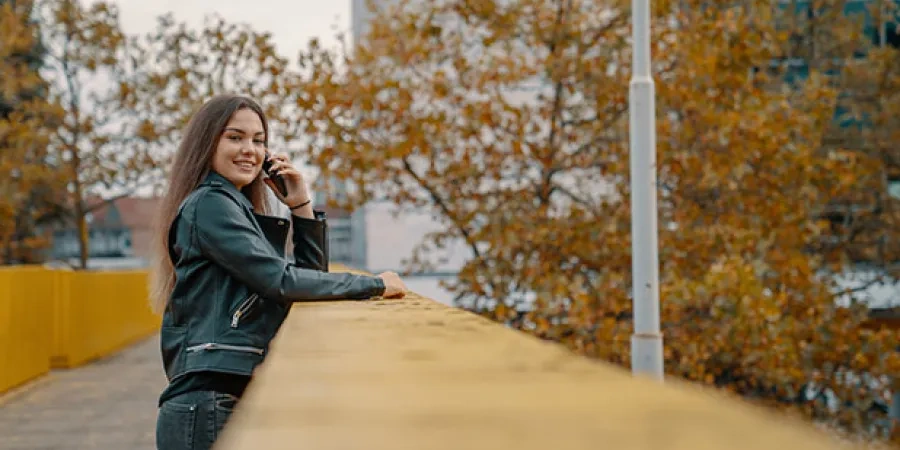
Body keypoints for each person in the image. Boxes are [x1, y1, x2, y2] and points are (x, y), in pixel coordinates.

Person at [148, 94, 407, 450]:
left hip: (221, 400)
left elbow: (306, 284)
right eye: (234, 137)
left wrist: (300, 206)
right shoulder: (210, 205)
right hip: (208, 405)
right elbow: (283, 281)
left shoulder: (232, 207)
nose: (249, 150)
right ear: (207, 142)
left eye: (259, 141)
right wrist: (375, 285)